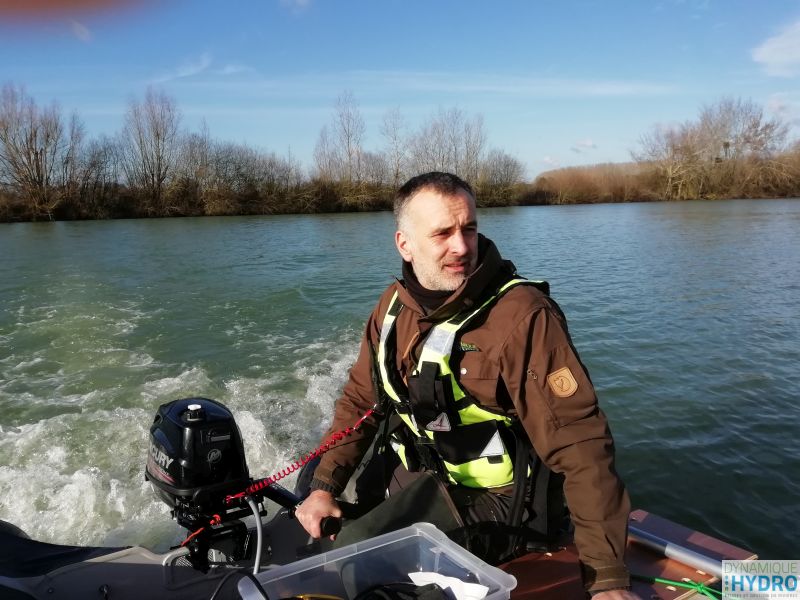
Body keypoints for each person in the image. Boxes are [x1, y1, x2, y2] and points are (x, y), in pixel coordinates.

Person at [296, 172, 639, 599]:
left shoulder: (522, 317)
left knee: (355, 555)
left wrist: (606, 576)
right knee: (319, 524)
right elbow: (361, 399)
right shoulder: (391, 307)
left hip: (503, 502)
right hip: (420, 473)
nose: (462, 246)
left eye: (469, 228)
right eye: (442, 233)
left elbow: (580, 445)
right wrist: (325, 486)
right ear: (405, 244)